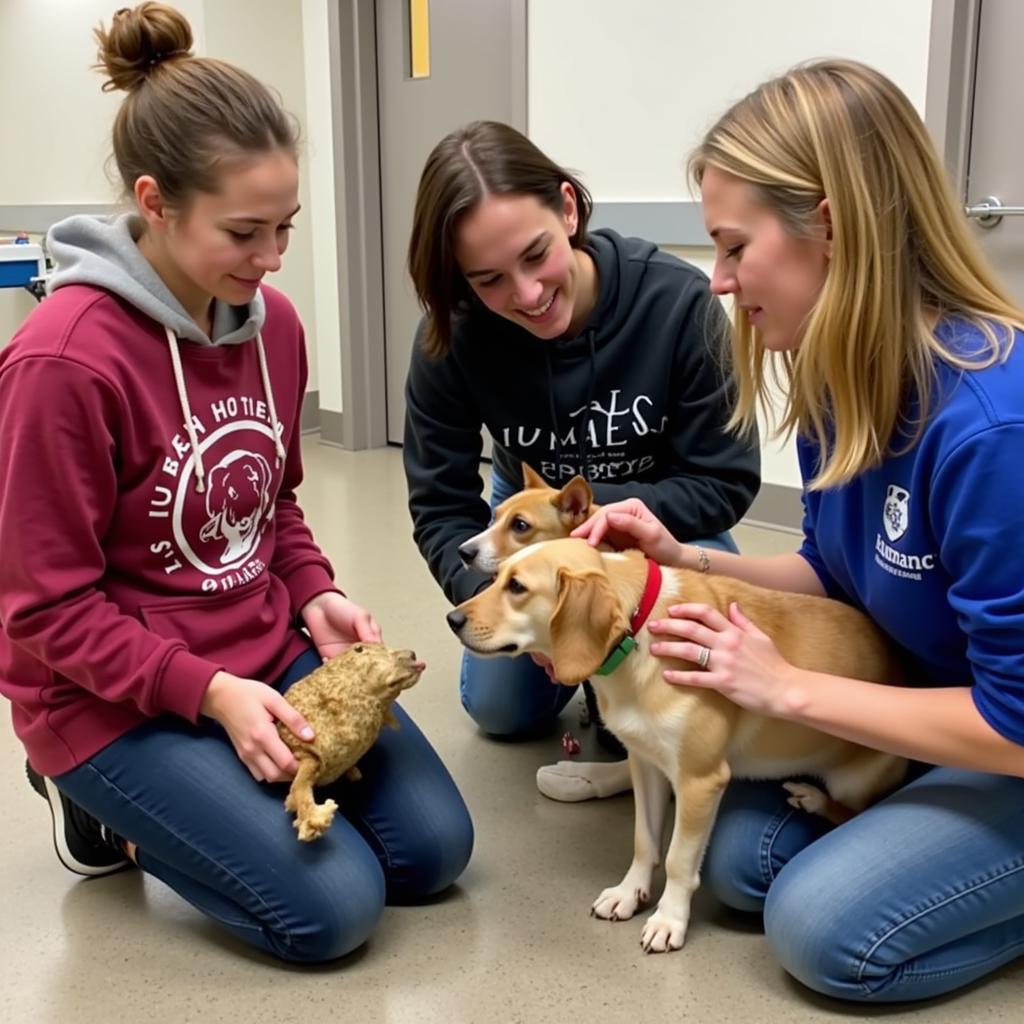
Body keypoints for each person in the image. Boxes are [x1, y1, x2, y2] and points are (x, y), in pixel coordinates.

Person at [0, 2, 472, 964]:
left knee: (431, 855)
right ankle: (99, 808)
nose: (272, 261)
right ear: (157, 201)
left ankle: (201, 785)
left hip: (260, 651)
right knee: (332, 912)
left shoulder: (275, 327)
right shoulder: (64, 363)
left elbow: (274, 502)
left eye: (285, 229)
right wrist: (207, 694)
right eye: (245, 232)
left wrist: (317, 593)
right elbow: (41, 613)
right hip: (105, 694)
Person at [574, 59, 1024, 1002]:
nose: (724, 282)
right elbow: (834, 567)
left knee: (825, 933)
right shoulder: (843, 379)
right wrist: (683, 555)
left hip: (1000, 737)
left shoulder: (991, 430)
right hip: (916, 696)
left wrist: (789, 689)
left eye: (735, 248)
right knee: (741, 869)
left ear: (831, 224)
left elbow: (1015, 727)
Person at [402, 120, 761, 802]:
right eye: (489, 281)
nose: (528, 294)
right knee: (502, 713)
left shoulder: (676, 302)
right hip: (531, 517)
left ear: (568, 209)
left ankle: (621, 708)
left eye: (537, 255)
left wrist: (606, 532)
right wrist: (505, 599)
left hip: (659, 520)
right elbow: (441, 506)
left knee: (700, 674)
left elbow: (724, 478)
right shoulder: (452, 338)